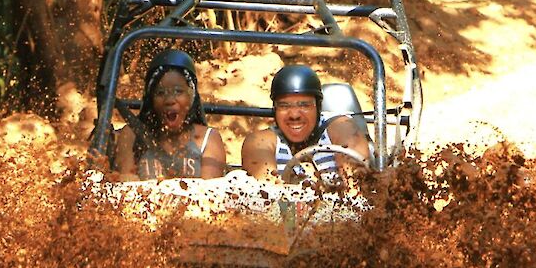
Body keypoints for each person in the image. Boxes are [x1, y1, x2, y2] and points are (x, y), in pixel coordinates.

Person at [241, 65, 370, 182]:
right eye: (284, 106)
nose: (294, 115)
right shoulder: (260, 142)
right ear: (275, 109)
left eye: (304, 105)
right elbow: (267, 195)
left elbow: (356, 188)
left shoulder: (341, 128)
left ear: (318, 107)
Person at [114, 49, 227, 180]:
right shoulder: (132, 134)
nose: (169, 100)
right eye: (160, 93)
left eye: (178, 91)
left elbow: (211, 194)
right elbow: (125, 184)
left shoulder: (208, 139)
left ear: (191, 98)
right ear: (151, 100)